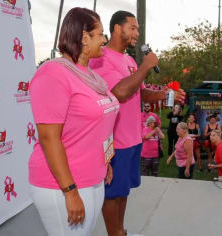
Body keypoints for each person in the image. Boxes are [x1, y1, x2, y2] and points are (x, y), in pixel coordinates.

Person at [89, 10, 185, 236]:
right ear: (116, 29)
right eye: (132, 28)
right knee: (112, 193)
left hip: (132, 138)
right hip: (115, 140)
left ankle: (120, 230)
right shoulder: (101, 57)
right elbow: (119, 92)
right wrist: (145, 67)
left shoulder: (129, 59)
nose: (137, 33)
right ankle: (114, 233)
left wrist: (165, 94)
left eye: (138, 29)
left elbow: (139, 93)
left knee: (123, 191)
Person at [28, 8, 117, 235]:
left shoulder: (92, 76)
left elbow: (97, 125)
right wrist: (69, 191)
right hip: (63, 185)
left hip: (94, 178)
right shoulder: (53, 74)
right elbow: (49, 137)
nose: (105, 40)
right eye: (101, 34)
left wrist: (104, 161)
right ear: (84, 37)